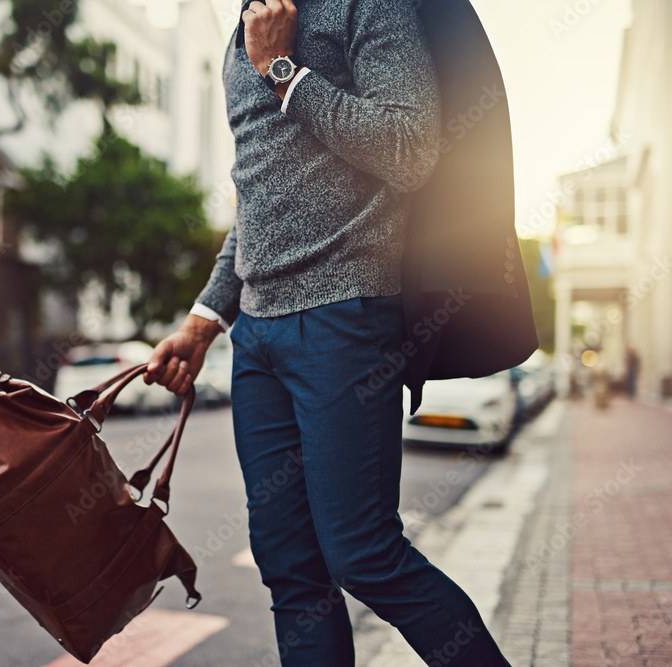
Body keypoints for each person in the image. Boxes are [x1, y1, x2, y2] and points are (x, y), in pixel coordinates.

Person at [143, 0, 511, 664]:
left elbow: (411, 149)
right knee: (291, 569)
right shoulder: (242, 33)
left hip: (346, 318)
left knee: (366, 556)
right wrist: (205, 318)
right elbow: (260, 200)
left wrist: (284, 72)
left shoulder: (366, 7)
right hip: (256, 338)